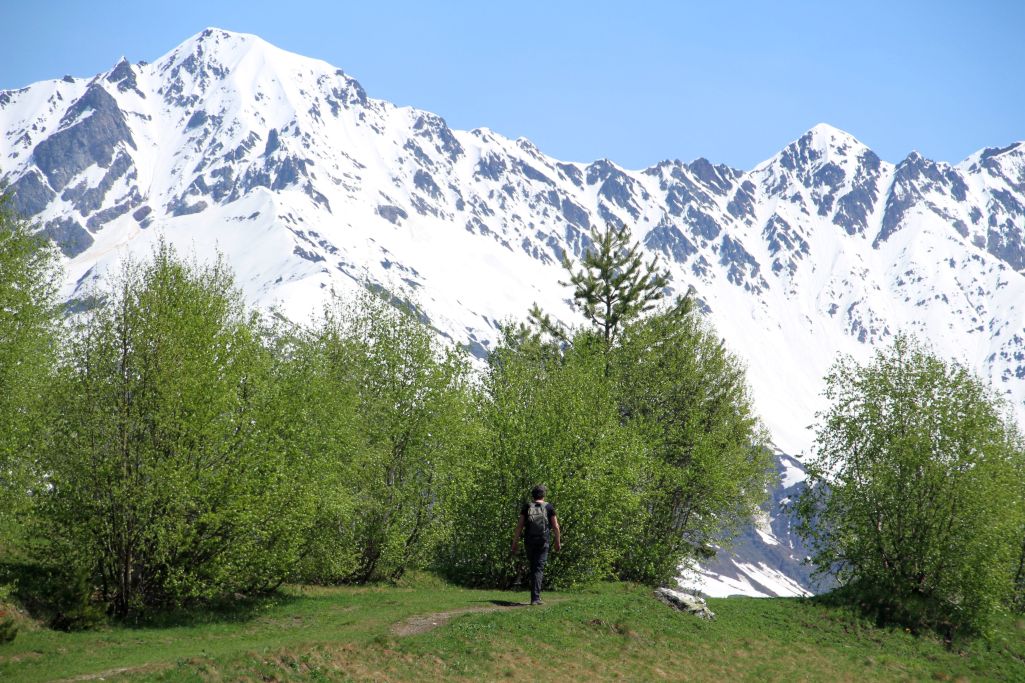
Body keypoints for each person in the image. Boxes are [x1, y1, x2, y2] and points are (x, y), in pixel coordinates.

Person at [511, 484, 561, 605]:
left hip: (529, 541)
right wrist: (558, 542)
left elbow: (519, 526)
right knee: (538, 568)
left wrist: (515, 543)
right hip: (543, 541)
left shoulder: (527, 507)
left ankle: (535, 596)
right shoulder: (549, 507)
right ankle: (535, 598)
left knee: (534, 567)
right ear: (543, 494)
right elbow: (555, 526)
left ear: (532, 495)